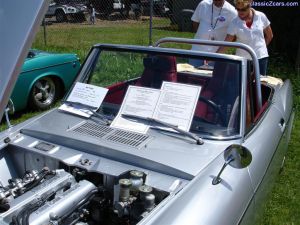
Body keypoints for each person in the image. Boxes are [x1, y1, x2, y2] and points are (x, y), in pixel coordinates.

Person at [217, 0, 273, 75]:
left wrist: (261, 48)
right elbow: (226, 44)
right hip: (243, 60)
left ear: (250, 6)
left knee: (259, 84)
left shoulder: (261, 16)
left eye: (243, 9)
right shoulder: (234, 22)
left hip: (261, 59)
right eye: (238, 9)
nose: (240, 12)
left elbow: (270, 36)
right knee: (243, 85)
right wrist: (213, 57)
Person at [190, 0, 237, 66]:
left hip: (216, 54)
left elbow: (233, 36)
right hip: (197, 51)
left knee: (214, 76)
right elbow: (195, 22)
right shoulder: (203, 4)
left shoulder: (232, 12)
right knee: (192, 75)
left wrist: (218, 53)